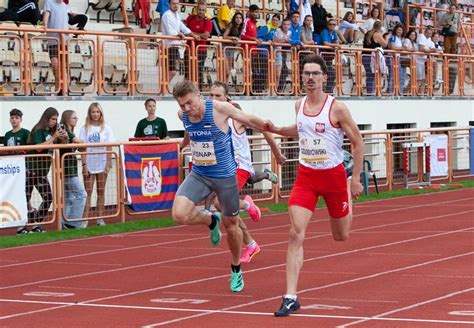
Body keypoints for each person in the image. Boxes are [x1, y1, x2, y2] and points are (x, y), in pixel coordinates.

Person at [265, 54, 364, 317]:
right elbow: (300, 130)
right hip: (306, 177)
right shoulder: (298, 105)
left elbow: (358, 142)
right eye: (306, 73)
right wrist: (276, 129)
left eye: (314, 73)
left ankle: (346, 194)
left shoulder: (337, 108)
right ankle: (290, 296)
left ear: (324, 77)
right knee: (295, 233)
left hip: (334, 178)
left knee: (340, 235)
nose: (309, 78)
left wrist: (354, 180)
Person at [171, 79, 270, 292]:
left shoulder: (219, 109)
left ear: (199, 94)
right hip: (199, 174)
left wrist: (274, 132)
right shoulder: (183, 115)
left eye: (189, 103)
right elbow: (189, 130)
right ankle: (210, 220)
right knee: (178, 214)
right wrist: (183, 145)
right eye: (182, 105)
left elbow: (251, 121)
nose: (187, 109)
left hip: (225, 177)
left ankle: (235, 269)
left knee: (232, 226)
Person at [207, 81, 286, 263]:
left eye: (218, 96)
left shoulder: (236, 117)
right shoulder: (210, 118)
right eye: (211, 95)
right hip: (222, 167)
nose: (213, 99)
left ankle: (248, 207)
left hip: (240, 167)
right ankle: (250, 244)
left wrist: (276, 152)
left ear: (227, 98)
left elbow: (263, 128)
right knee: (226, 212)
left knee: (220, 203)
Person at [27, 107, 68, 233]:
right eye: (52, 119)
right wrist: (53, 137)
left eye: (56, 119)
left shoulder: (52, 132)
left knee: (48, 198)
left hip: (42, 171)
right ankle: (24, 225)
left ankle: (36, 222)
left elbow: (64, 145)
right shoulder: (39, 131)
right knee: (25, 198)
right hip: (31, 170)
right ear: (46, 118)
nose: (54, 122)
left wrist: (64, 137)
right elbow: (38, 148)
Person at [79, 102, 115, 226]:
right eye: (93, 112)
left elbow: (109, 147)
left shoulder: (107, 128)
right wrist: (84, 165)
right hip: (89, 164)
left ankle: (100, 218)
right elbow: (82, 148)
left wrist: (108, 164)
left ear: (101, 114)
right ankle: (85, 219)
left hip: (102, 163)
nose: (95, 114)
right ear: (89, 113)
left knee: (101, 191)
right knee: (87, 193)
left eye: (97, 112)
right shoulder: (84, 128)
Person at [4, 109, 31, 235]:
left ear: (21, 119)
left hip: (23, 168)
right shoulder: (7, 134)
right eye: (12, 117)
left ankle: (28, 220)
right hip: (11, 170)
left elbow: (30, 149)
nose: (14, 120)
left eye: (16, 117)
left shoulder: (26, 133)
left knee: (25, 194)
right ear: (9, 119)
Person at [59, 110, 87, 229]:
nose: (76, 120)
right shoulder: (64, 130)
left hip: (69, 168)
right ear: (67, 119)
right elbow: (79, 141)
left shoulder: (70, 132)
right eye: (74, 118)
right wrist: (81, 142)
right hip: (68, 169)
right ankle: (72, 222)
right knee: (81, 194)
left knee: (68, 197)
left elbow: (81, 146)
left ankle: (64, 222)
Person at [160, 0, 199, 83]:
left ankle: (163, 89)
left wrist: (193, 35)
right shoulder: (167, 15)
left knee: (171, 71)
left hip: (175, 46)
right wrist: (179, 34)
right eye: (173, 3)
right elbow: (170, 31)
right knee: (172, 72)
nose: (176, 5)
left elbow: (183, 28)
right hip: (169, 46)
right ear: (169, 4)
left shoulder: (177, 15)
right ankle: (162, 90)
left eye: (177, 3)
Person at [184, 2, 212, 90]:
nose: (201, 12)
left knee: (198, 71)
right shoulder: (190, 17)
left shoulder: (208, 21)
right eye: (199, 9)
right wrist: (196, 35)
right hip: (189, 49)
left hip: (201, 50)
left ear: (205, 11)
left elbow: (206, 35)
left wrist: (191, 33)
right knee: (187, 71)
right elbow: (183, 29)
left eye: (203, 10)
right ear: (196, 9)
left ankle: (199, 91)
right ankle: (186, 90)